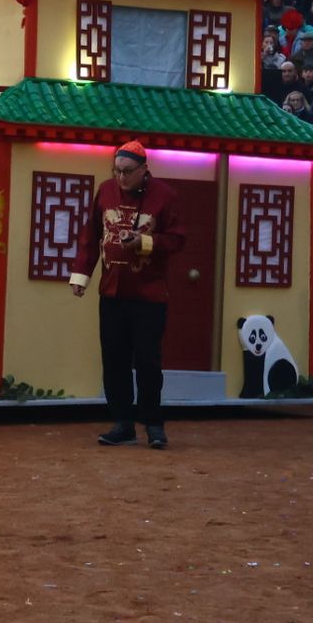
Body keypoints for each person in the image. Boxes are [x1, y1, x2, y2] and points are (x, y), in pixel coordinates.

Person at [69, 141, 185, 449]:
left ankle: (153, 424)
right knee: (114, 359)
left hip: (148, 295)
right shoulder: (105, 191)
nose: (121, 178)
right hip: (112, 291)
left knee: (148, 361)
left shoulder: (165, 196)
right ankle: (122, 422)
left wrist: (145, 243)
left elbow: (177, 240)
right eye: (117, 171)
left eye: (128, 172)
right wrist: (81, 275)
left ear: (144, 170)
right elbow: (91, 236)